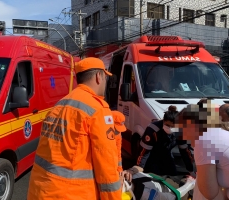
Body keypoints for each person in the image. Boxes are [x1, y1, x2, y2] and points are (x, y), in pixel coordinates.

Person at [27, 57, 122, 200]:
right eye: (105, 77)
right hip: (71, 194)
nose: (105, 82)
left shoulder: (59, 105)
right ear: (98, 77)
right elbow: (106, 167)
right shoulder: (97, 109)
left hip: (40, 191)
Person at [175, 101, 229, 200]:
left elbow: (209, 194)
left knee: (201, 181)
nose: (182, 136)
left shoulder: (205, 140)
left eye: (182, 130)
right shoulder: (228, 132)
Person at [135, 105, 195, 177]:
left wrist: (190, 170)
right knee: (155, 178)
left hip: (167, 155)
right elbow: (144, 152)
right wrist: (139, 168)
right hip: (152, 157)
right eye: (167, 125)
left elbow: (185, 151)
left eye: (173, 126)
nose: (169, 128)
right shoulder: (153, 130)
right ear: (163, 121)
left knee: (173, 175)